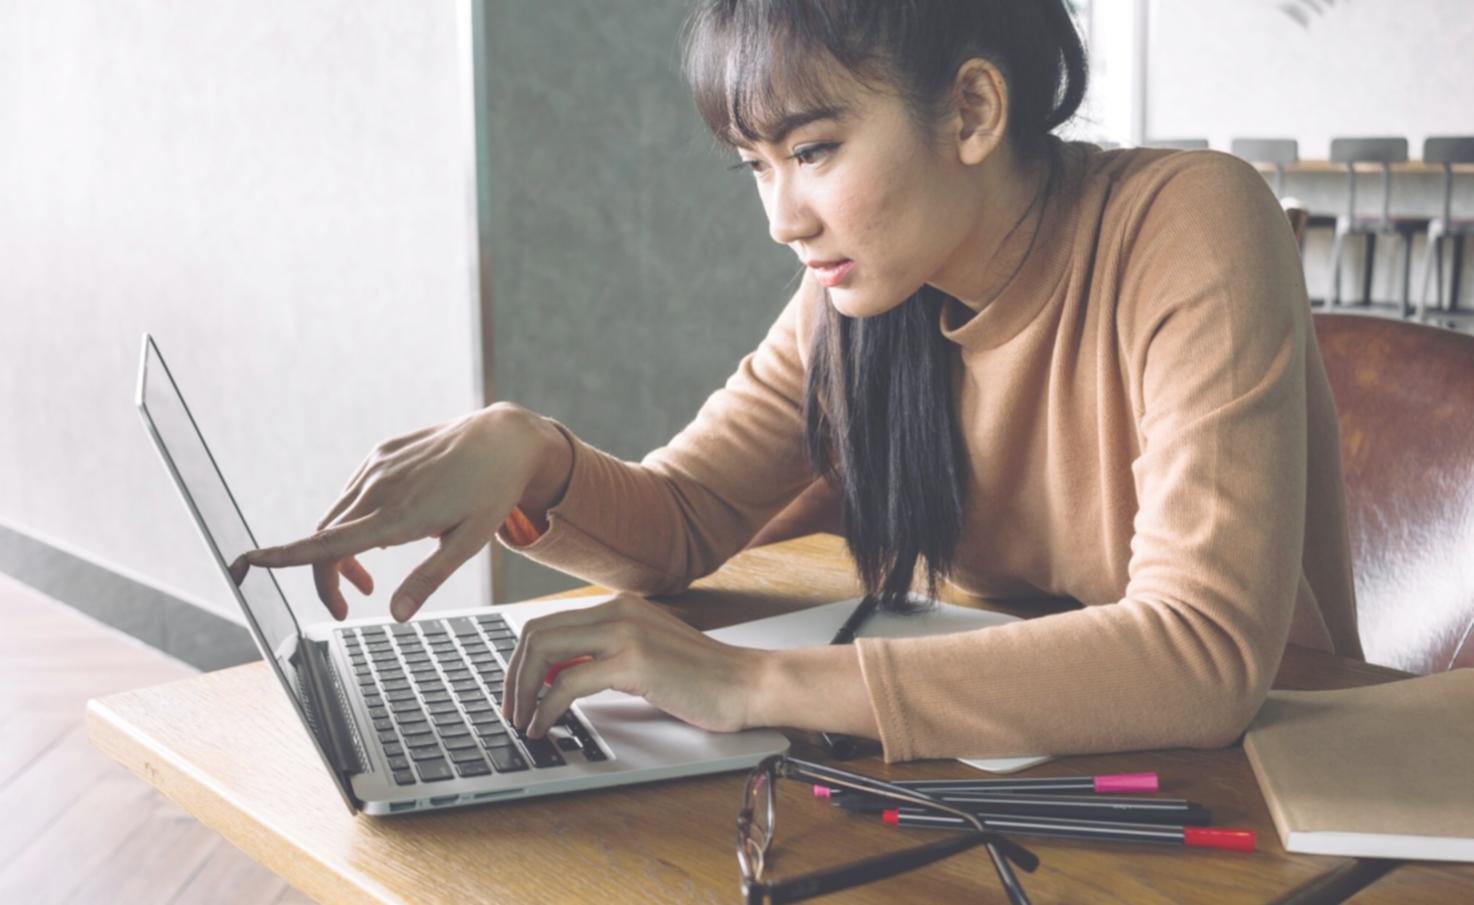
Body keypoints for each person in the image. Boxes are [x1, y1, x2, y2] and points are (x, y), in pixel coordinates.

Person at [247, 0, 1363, 764]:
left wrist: (743, 684)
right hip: (1008, 765)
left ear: (972, 110)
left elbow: (1198, 655)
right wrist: (531, 453)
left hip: (1258, 783)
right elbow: (682, 520)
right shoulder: (860, 298)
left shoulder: (1191, 223)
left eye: (816, 150)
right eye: (756, 166)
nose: (782, 218)